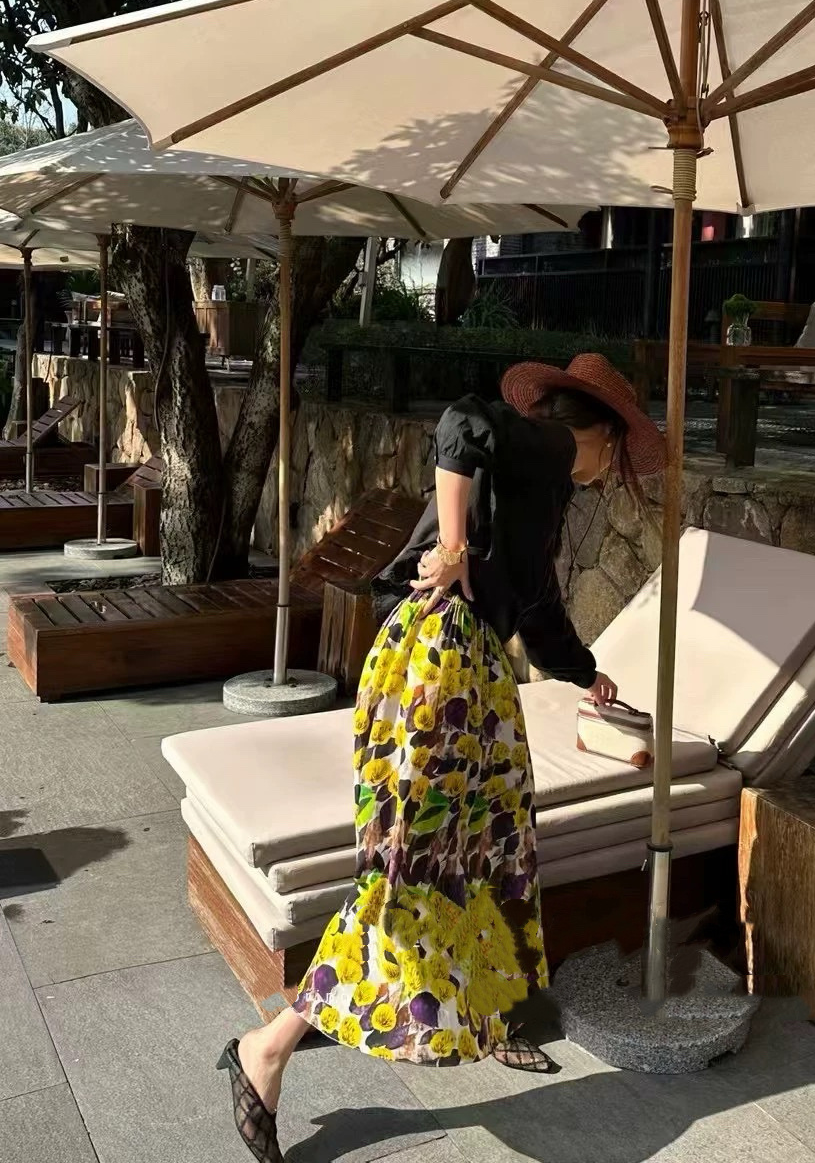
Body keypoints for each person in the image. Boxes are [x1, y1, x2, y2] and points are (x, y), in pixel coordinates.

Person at [217, 353, 666, 1163]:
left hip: (470, 675)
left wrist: (584, 672)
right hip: (440, 669)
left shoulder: (541, 483)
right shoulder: (550, 446)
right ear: (599, 433)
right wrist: (452, 545)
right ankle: (267, 1049)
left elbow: (534, 602)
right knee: (411, 870)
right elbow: (461, 422)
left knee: (489, 853)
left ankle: (487, 1015)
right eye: (618, 454)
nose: (611, 472)